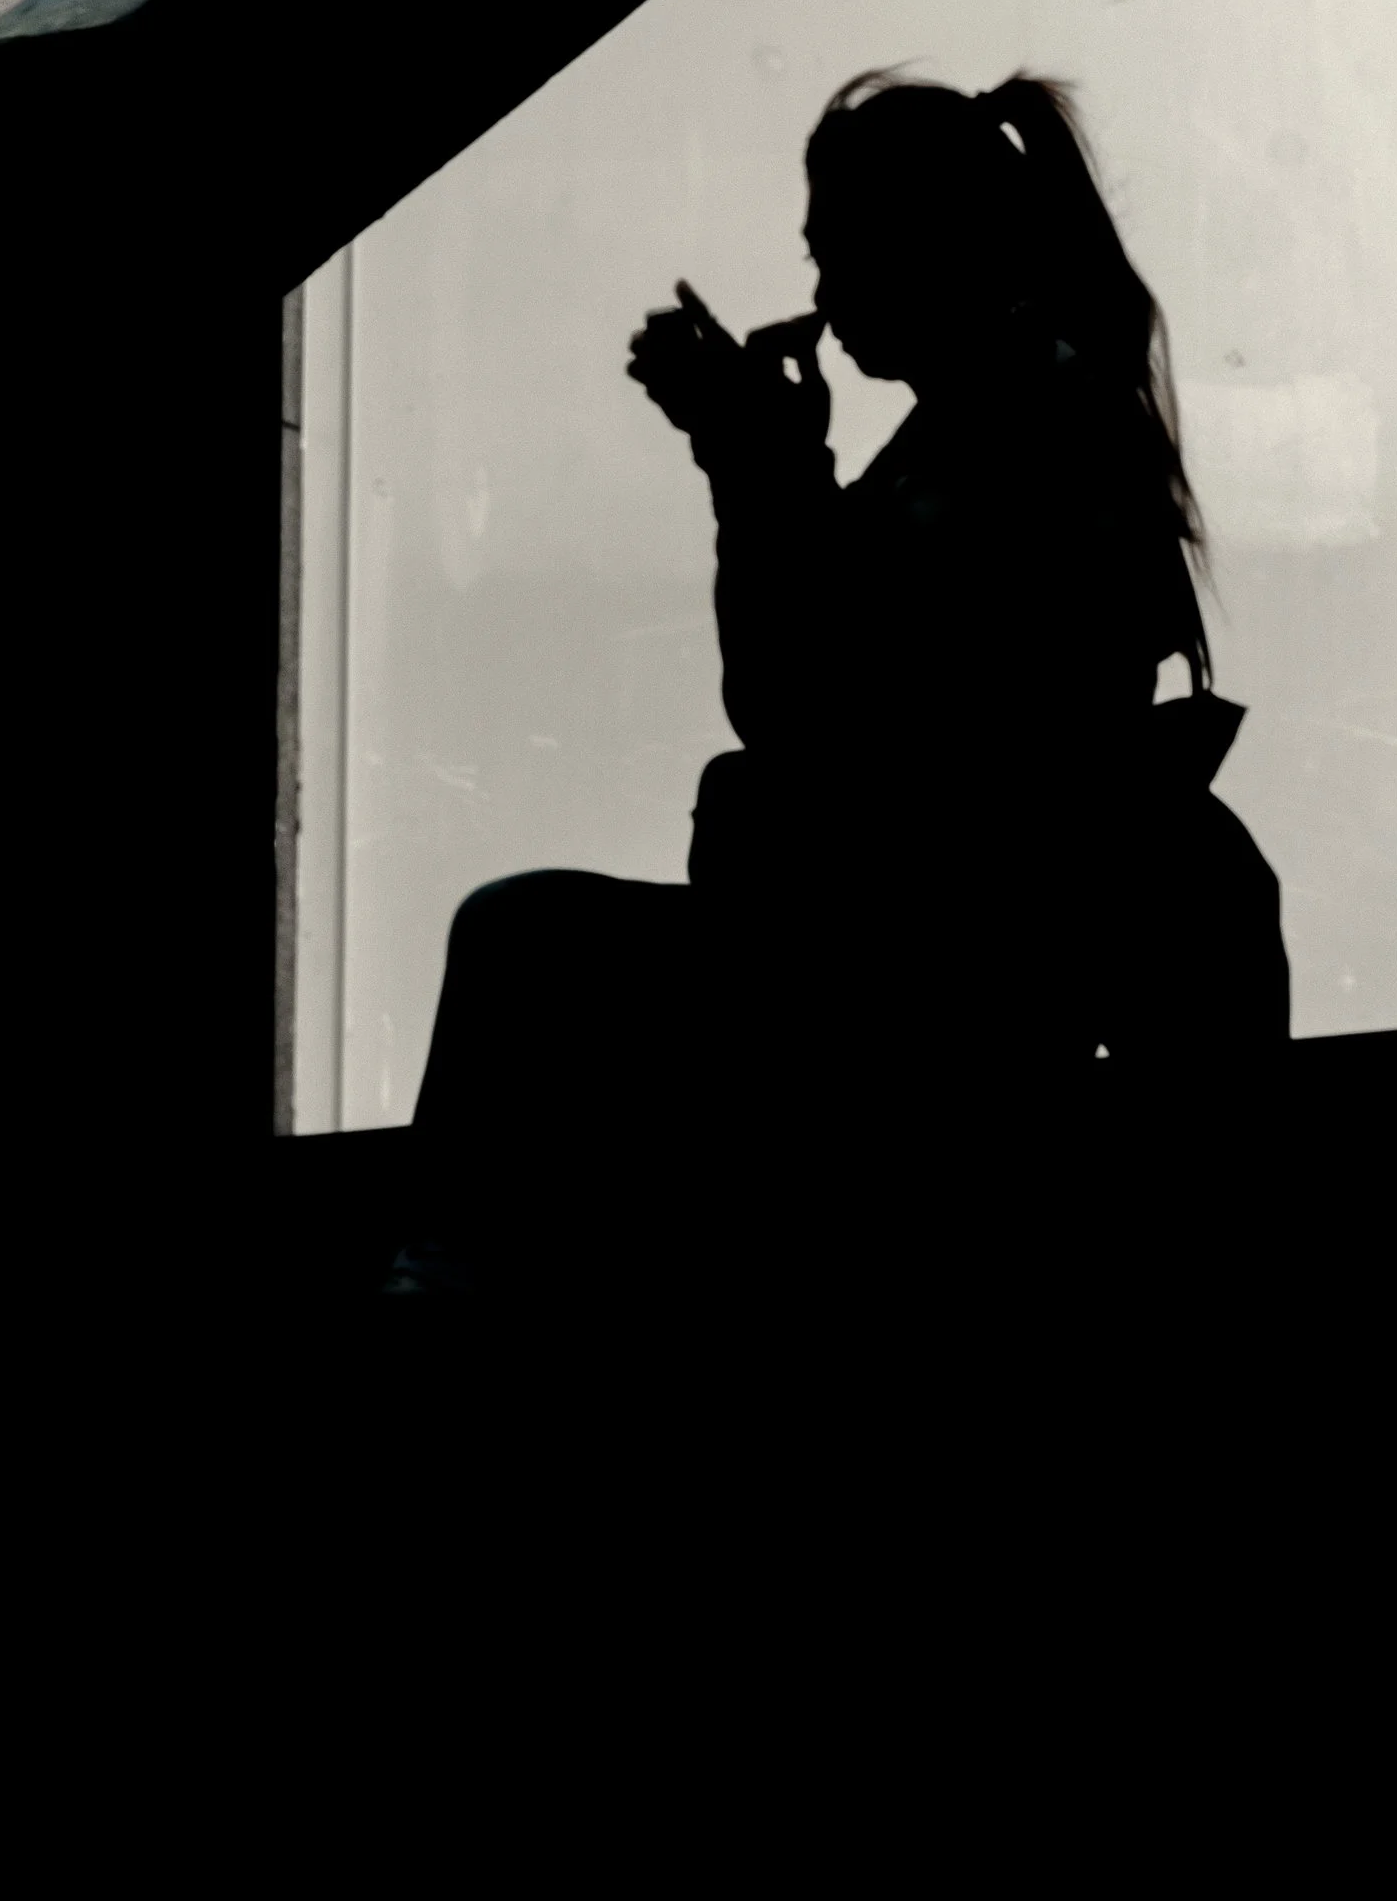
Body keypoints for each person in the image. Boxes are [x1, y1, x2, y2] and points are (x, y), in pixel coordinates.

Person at [404, 70, 1286, 1283]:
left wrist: (756, 470)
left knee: (518, 941)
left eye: (836, 250)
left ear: (923, 241)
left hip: (917, 971)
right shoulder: (1019, 414)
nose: (819, 291)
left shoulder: (1018, 431)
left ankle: (440, 1279)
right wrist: (767, 468)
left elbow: (811, 705)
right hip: (922, 949)